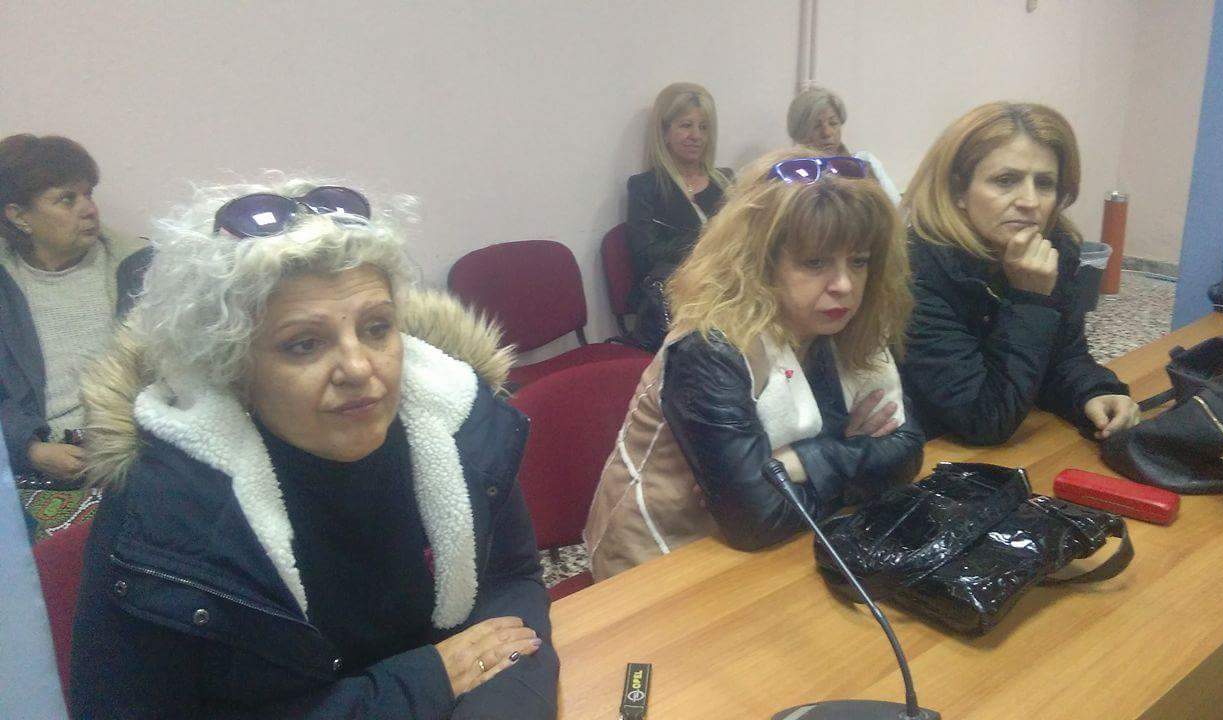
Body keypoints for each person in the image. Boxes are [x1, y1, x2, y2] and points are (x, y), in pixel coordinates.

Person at [70, 181, 558, 718]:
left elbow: (510, 582)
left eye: (377, 328)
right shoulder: (161, 514)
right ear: (231, 366)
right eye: (304, 343)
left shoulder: (456, 423)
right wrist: (423, 683)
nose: (359, 368)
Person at [585, 148, 925, 580]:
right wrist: (859, 463)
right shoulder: (710, 346)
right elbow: (756, 519)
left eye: (858, 261)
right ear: (760, 263)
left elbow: (907, 451)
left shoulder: (844, 325)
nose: (844, 285)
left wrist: (802, 461)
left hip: (778, 548)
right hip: (662, 558)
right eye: (815, 262)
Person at [898, 102, 1139, 445]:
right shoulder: (916, 269)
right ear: (958, 191)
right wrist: (1029, 299)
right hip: (931, 450)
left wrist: (1094, 391)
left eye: (1044, 183)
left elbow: (1062, 357)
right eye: (1005, 180)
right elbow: (984, 418)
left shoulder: (1053, 248)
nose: (1029, 201)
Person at [0, 134, 150, 539]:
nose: (88, 209)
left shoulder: (139, 269)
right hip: (30, 471)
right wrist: (30, 448)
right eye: (66, 199)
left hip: (133, 464)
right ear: (19, 216)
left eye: (88, 194)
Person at [626, 82, 734, 350]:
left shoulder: (725, 182)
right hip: (677, 302)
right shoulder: (645, 187)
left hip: (728, 293)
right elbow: (645, 256)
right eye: (686, 125)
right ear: (664, 132)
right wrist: (709, 237)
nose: (696, 136)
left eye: (704, 127)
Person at [786, 86, 901, 203]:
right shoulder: (787, 176)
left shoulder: (865, 164)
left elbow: (897, 209)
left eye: (833, 123)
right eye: (816, 126)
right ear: (799, 133)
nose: (827, 133)